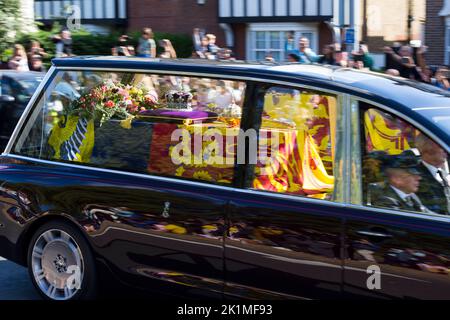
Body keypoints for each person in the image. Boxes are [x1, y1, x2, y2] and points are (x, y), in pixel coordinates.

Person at [415, 134, 450, 215]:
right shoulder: (416, 177)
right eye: (441, 146)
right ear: (429, 150)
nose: (445, 151)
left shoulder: (442, 173)